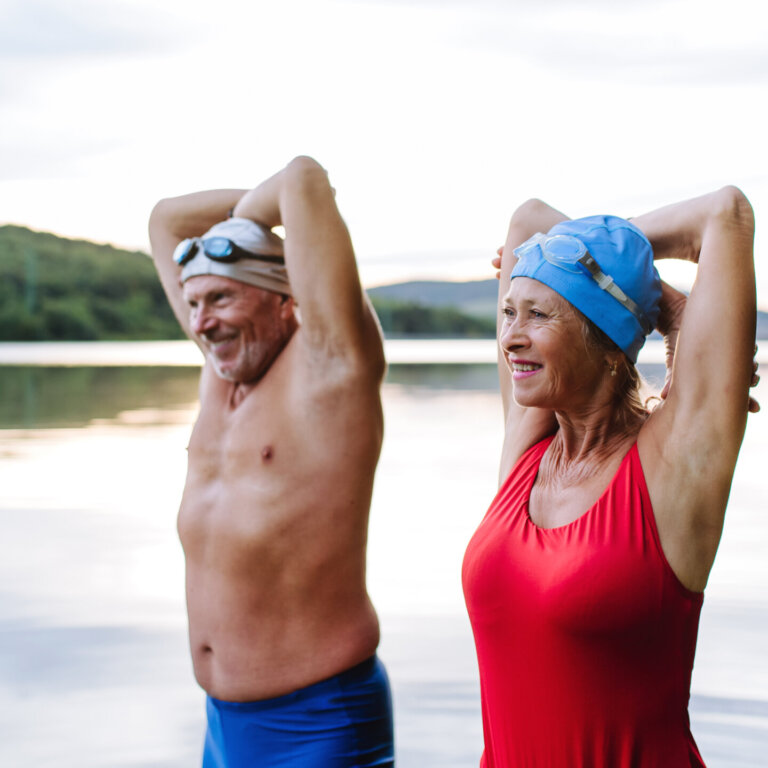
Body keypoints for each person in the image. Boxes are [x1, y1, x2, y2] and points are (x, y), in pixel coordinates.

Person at [462, 188, 759, 767]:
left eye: (539, 314)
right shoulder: (529, 446)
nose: (510, 338)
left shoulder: (674, 465)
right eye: (508, 312)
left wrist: (632, 283)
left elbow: (725, 214)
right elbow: (528, 217)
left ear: (608, 346)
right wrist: (650, 293)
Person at [148, 156, 394, 767]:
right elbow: (163, 219)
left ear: (284, 299)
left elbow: (303, 181)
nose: (201, 323)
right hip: (222, 728)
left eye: (221, 297)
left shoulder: (331, 371)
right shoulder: (221, 372)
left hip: (317, 723)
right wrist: (234, 238)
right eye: (193, 301)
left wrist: (250, 221)